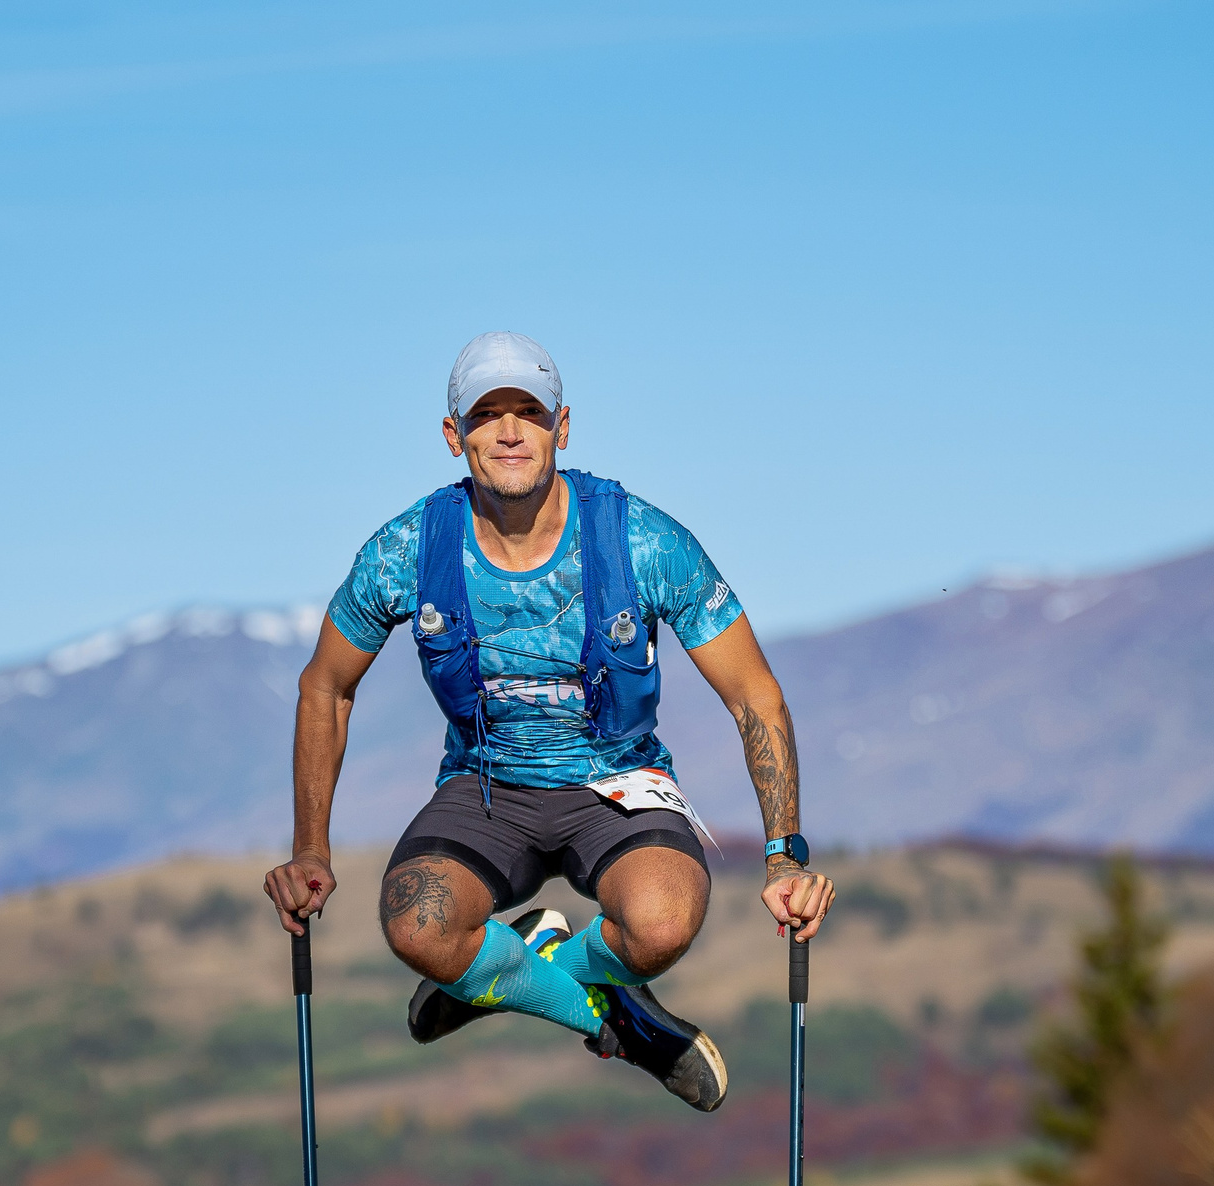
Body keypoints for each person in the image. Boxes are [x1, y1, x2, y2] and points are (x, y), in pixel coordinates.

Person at [262, 332, 835, 1111]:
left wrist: (783, 857)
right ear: (451, 434)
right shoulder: (405, 551)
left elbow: (755, 697)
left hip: (618, 778)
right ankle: (611, 1017)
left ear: (561, 428)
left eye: (527, 412)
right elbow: (324, 687)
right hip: (486, 781)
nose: (507, 432)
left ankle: (521, 967)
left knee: (662, 925)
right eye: (485, 414)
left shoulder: (642, 541)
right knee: (418, 924)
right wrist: (308, 848)